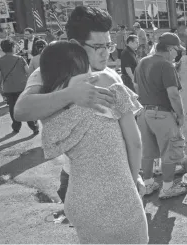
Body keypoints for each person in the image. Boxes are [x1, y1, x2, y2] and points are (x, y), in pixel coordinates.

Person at [14, 5, 124, 222]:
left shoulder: (110, 74)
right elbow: (21, 110)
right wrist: (70, 93)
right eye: (98, 46)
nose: (105, 53)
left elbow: (127, 130)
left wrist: (134, 172)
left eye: (109, 45)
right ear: (75, 45)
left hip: (118, 174)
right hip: (78, 178)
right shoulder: (51, 71)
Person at [39, 41, 148, 243]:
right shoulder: (112, 90)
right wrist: (132, 181)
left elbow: (50, 146)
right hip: (118, 195)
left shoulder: (51, 109)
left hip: (79, 199)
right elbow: (135, 144)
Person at [134, 32, 187, 198]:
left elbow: (136, 87)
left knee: (147, 152)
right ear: (170, 49)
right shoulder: (166, 65)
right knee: (170, 150)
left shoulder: (142, 62)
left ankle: (148, 184)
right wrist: (181, 115)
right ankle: (167, 187)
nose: (177, 54)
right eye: (176, 50)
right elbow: (173, 94)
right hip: (162, 114)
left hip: (143, 113)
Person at [0, 39, 38, 134]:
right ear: (12, 47)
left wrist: (0, 88)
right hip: (22, 87)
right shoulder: (20, 59)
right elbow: (28, 72)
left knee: (12, 108)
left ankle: (16, 127)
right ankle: (34, 127)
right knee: (26, 107)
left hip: (8, 88)